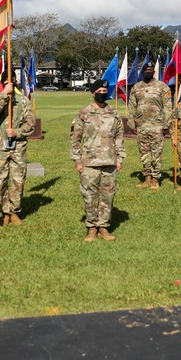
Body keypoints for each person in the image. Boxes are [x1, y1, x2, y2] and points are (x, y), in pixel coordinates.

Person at [70, 79, 126, 242]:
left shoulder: (113, 113)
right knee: (90, 196)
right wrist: (77, 160)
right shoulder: (84, 113)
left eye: (105, 90)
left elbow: (119, 137)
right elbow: (75, 138)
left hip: (109, 161)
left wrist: (120, 158)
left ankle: (104, 227)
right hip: (89, 163)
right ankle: (92, 228)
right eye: (100, 90)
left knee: (108, 196)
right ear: (93, 93)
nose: (103, 93)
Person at [0, 79, 36, 224]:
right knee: (0, 180)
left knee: (18, 180)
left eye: (12, 80)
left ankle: (14, 211)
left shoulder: (23, 101)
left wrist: (17, 132)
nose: (10, 83)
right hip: (0, 146)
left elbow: (30, 123)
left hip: (18, 146)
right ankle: (4, 211)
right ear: (2, 83)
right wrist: (4, 95)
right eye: (7, 81)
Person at [129, 62, 172, 189]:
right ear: (142, 71)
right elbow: (132, 106)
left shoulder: (162, 87)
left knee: (156, 153)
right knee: (144, 154)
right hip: (142, 126)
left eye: (150, 69)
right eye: (146, 69)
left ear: (154, 71)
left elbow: (168, 107)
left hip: (157, 126)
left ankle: (155, 179)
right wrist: (132, 123)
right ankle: (147, 178)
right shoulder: (136, 87)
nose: (148, 71)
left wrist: (166, 125)